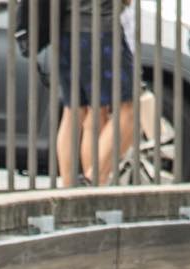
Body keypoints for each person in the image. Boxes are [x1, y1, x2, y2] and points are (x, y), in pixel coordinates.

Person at [54, 0, 136, 186]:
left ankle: (70, 188)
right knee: (128, 112)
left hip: (64, 28)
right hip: (100, 27)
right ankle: (92, 180)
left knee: (75, 110)